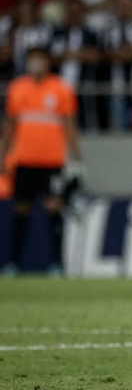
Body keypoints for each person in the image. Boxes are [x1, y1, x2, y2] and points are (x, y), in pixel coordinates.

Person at [0, 47, 83, 277]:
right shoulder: (17, 89)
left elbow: (69, 126)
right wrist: (3, 155)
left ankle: (57, 264)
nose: (36, 63)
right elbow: (10, 126)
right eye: (32, 59)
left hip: (52, 161)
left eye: (40, 59)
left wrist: (76, 158)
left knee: (54, 209)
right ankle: (13, 264)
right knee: (21, 209)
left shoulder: (61, 89)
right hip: (24, 159)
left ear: (48, 62)